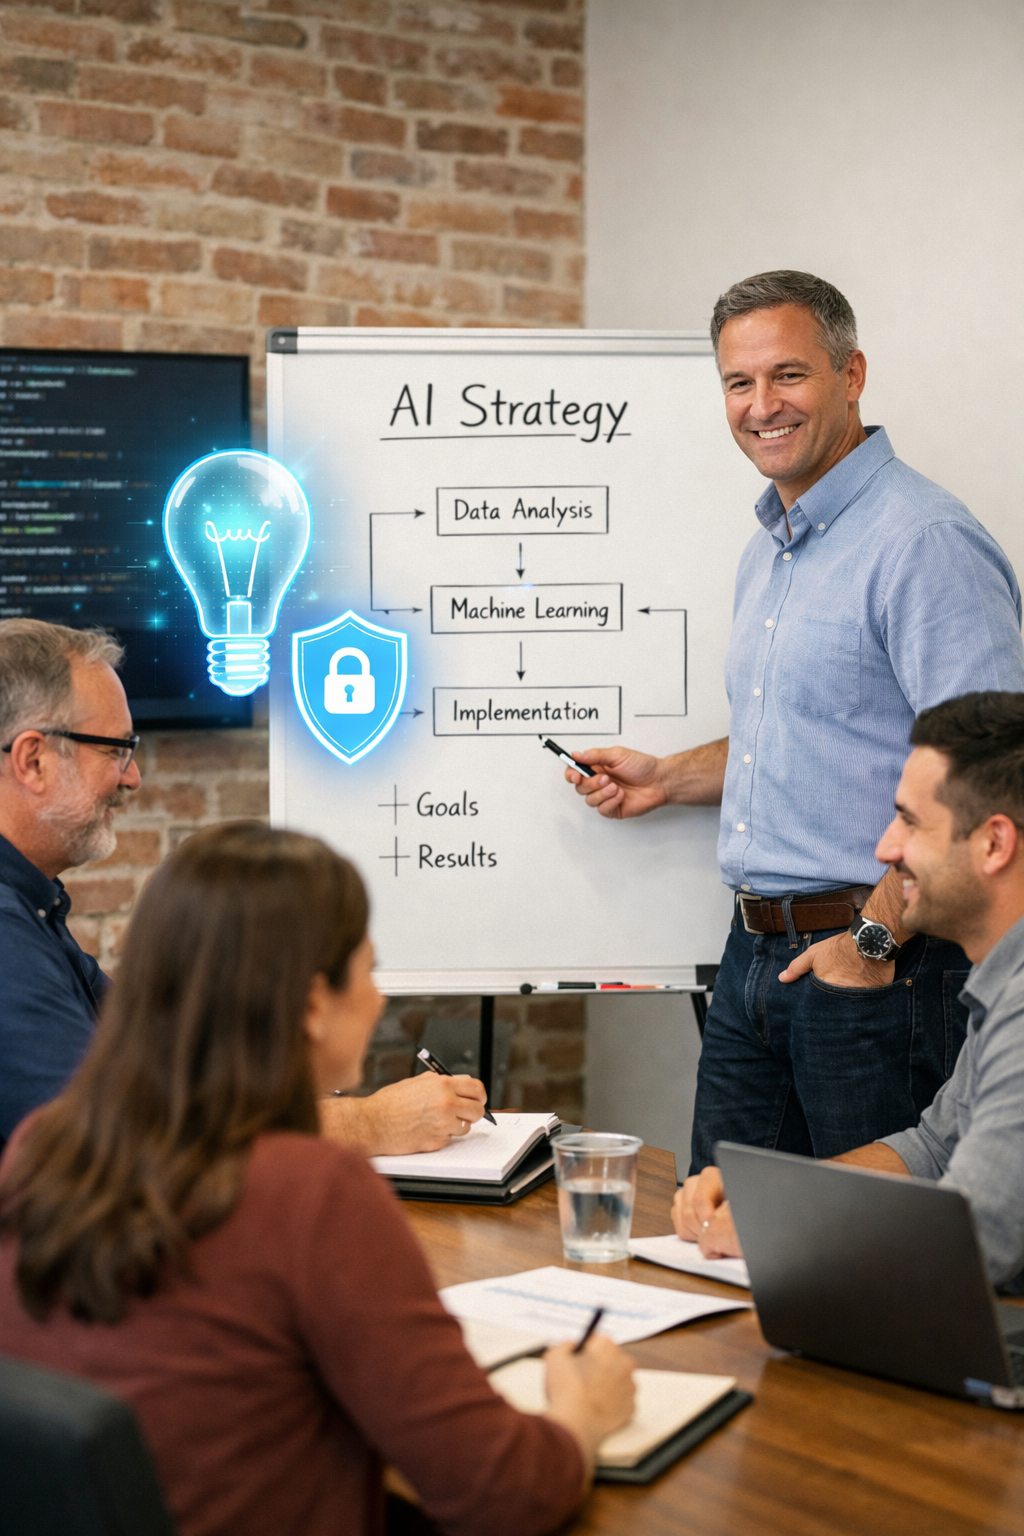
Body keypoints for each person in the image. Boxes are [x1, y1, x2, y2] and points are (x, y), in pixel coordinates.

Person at [0, 822, 635, 1536]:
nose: (378, 999)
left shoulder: (40, 1150)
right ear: (310, 1005)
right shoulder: (310, 1193)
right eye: (367, 970)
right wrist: (584, 1411)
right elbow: (502, 1493)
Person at [567, 271, 1024, 1171]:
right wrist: (667, 778)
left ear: (852, 375)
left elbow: (991, 774)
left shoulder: (922, 540)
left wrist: (875, 937)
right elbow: (807, 731)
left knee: (870, 1269)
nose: (761, 406)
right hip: (750, 961)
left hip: (879, 963)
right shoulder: (769, 548)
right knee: (722, 1236)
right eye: (739, 383)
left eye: (789, 376)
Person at [0, 618, 487, 1155]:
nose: (132, 776)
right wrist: (367, 1125)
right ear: (33, 760)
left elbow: (163, 1069)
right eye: (116, 749)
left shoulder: (33, 909)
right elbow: (121, 1142)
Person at [673, 692, 1024, 1287]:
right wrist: (773, 1193)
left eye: (910, 822)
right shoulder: (1001, 984)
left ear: (994, 843)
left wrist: (781, 1225)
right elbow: (935, 1149)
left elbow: (977, 1237)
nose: (885, 850)